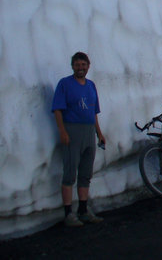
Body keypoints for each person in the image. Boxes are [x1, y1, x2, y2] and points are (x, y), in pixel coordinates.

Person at [51, 52, 106, 227]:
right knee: (70, 173)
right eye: (77, 65)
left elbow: (93, 112)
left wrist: (99, 133)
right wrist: (62, 131)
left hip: (89, 132)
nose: (81, 67)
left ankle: (83, 210)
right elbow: (58, 109)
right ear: (72, 66)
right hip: (72, 130)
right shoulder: (65, 84)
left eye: (83, 64)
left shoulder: (91, 86)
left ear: (88, 66)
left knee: (85, 173)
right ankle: (69, 214)